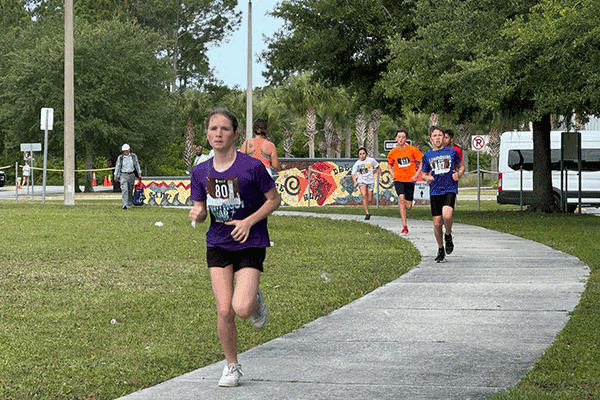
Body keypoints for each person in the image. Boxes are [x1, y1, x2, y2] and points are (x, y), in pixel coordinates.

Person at [189, 108, 280, 387]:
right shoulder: (200, 170)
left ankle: (253, 298)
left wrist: (249, 221)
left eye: (225, 129)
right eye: (213, 128)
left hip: (249, 241)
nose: (218, 133)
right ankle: (231, 366)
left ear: (235, 134)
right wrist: (197, 213)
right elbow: (201, 207)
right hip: (218, 242)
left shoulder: (251, 167)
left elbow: (274, 200)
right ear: (207, 134)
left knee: (241, 308)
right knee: (224, 310)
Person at [421, 126, 465, 263]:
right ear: (431, 139)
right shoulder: (427, 155)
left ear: (444, 138)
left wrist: (459, 174)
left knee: (447, 215)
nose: (438, 138)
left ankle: (448, 235)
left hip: (449, 188)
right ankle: (440, 249)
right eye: (435, 135)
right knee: (437, 223)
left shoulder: (452, 152)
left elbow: (461, 166)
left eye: (440, 135)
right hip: (435, 191)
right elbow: (423, 173)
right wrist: (426, 178)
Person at [387, 129, 423, 235]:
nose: (401, 139)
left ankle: (406, 209)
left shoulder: (411, 149)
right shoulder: (393, 152)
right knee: (401, 198)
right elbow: (389, 164)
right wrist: (391, 172)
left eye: (403, 137)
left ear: (405, 139)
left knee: (408, 206)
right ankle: (404, 226)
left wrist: (416, 175)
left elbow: (422, 161)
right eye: (399, 137)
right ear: (396, 139)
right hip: (398, 179)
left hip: (410, 179)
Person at [351, 147, 381, 220]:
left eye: (363, 153)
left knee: (370, 199)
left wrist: (380, 176)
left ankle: (368, 200)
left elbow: (378, 167)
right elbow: (353, 173)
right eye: (360, 154)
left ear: (366, 154)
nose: (362, 155)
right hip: (361, 180)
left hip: (370, 180)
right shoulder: (357, 163)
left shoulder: (371, 160)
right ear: (358, 155)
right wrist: (355, 181)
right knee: (364, 195)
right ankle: (367, 213)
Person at [114, 144, 142, 209]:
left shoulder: (133, 156)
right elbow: (118, 166)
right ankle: (125, 204)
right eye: (124, 151)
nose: (125, 153)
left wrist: (139, 173)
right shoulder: (120, 158)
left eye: (126, 151)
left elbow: (137, 165)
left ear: (129, 150)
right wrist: (116, 175)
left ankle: (129, 204)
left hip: (131, 174)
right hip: (123, 175)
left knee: (130, 189)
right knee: (124, 189)